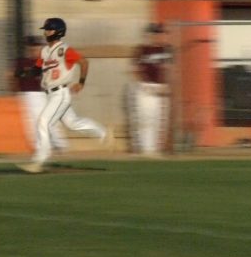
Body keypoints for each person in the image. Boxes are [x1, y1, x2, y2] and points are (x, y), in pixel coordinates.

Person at [17, 18, 108, 174]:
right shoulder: (45, 51)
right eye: (46, 30)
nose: (46, 32)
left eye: (49, 30)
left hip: (60, 93)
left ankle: (39, 160)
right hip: (50, 93)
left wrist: (81, 82)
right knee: (73, 123)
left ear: (58, 31)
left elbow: (84, 62)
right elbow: (37, 70)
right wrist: (24, 73)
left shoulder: (64, 49)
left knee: (43, 122)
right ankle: (103, 133)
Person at [11, 36, 68, 152]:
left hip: (43, 93)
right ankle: (40, 147)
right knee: (32, 122)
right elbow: (14, 77)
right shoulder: (22, 62)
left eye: (36, 46)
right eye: (31, 47)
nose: (34, 49)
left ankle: (58, 143)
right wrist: (15, 91)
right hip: (27, 94)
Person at [125, 22, 172, 157]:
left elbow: (172, 69)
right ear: (150, 35)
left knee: (160, 121)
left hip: (162, 87)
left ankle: (155, 150)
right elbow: (134, 69)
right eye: (156, 34)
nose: (160, 36)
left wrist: (168, 85)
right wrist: (143, 84)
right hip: (146, 87)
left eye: (162, 34)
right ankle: (144, 149)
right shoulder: (142, 50)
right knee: (145, 119)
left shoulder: (168, 50)